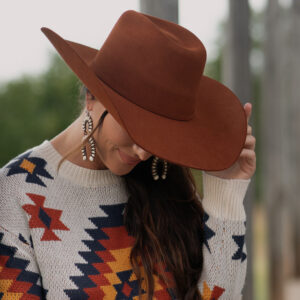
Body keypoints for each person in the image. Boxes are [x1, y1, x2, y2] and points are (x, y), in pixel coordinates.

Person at [0, 9, 256, 300]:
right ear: (92, 97)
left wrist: (226, 190)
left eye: (161, 137)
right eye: (136, 129)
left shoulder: (167, 186)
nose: (144, 151)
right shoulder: (15, 193)